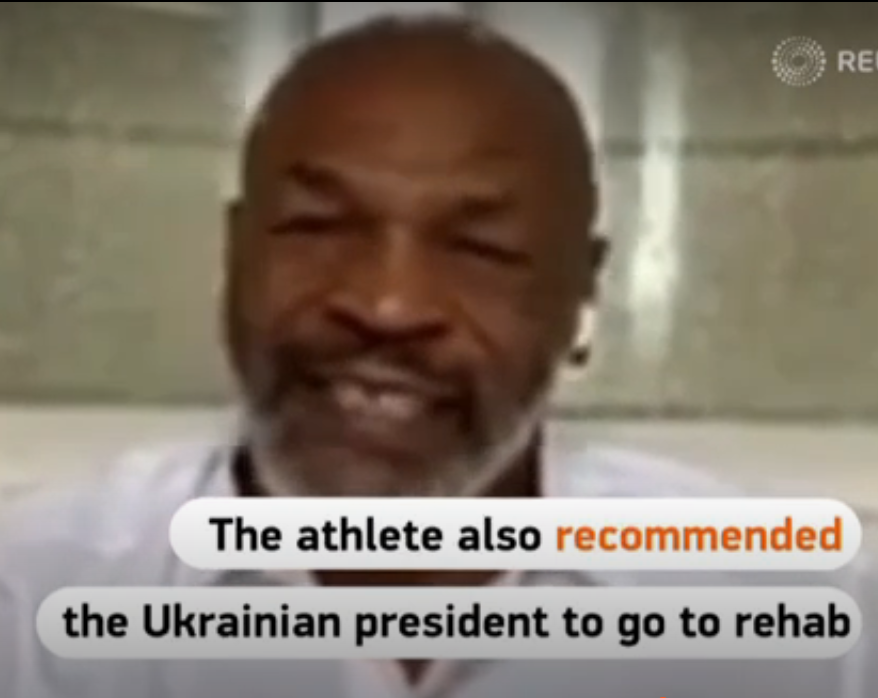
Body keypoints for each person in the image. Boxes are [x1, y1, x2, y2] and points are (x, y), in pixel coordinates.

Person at [0, 14, 874, 698]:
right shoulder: (34, 599)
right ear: (236, 252)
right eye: (317, 226)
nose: (388, 305)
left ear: (581, 293)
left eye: (481, 250)